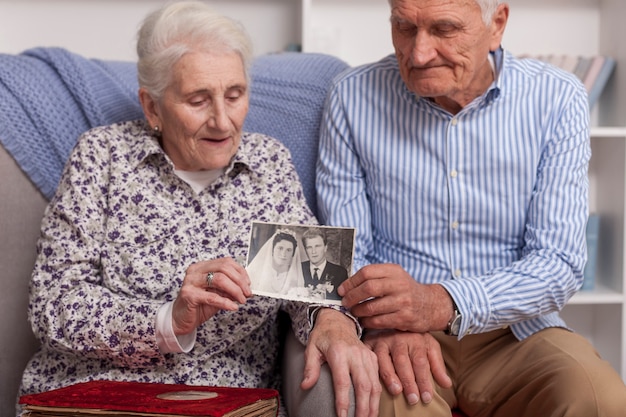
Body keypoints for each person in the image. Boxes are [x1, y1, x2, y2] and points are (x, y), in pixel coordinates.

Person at [17, 2, 380, 417]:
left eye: (235, 95)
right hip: (97, 396)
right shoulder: (102, 157)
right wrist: (169, 320)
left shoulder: (269, 163)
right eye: (198, 100)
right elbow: (53, 304)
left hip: (225, 398)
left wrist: (330, 320)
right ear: (152, 107)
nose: (223, 123)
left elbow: (311, 284)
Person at [315, 0, 626, 416]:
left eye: (443, 30)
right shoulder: (351, 95)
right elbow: (346, 254)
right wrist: (387, 323)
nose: (419, 53)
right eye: (404, 27)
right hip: (398, 333)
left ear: (496, 24)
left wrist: (442, 303)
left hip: (517, 330)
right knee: (388, 406)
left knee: (598, 398)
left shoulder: (557, 97)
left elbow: (559, 263)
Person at [247, 229, 304, 294]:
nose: (283, 254)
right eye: (280, 248)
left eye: (288, 250)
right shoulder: (256, 272)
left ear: (293, 254)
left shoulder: (296, 278)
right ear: (272, 249)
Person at [301, 228, 348, 300]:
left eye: (317, 246)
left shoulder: (340, 272)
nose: (314, 252)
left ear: (325, 248)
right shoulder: (298, 268)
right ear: (305, 250)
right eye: (309, 247)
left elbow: (343, 300)